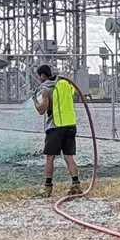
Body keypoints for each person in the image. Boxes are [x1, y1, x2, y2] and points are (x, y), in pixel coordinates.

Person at [34, 62, 86, 197]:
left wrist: (35, 100)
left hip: (56, 126)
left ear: (43, 75)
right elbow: (73, 90)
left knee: (50, 157)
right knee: (69, 156)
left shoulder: (46, 88)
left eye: (39, 77)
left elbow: (42, 110)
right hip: (70, 125)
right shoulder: (66, 84)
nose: (39, 79)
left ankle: (47, 188)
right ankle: (76, 184)